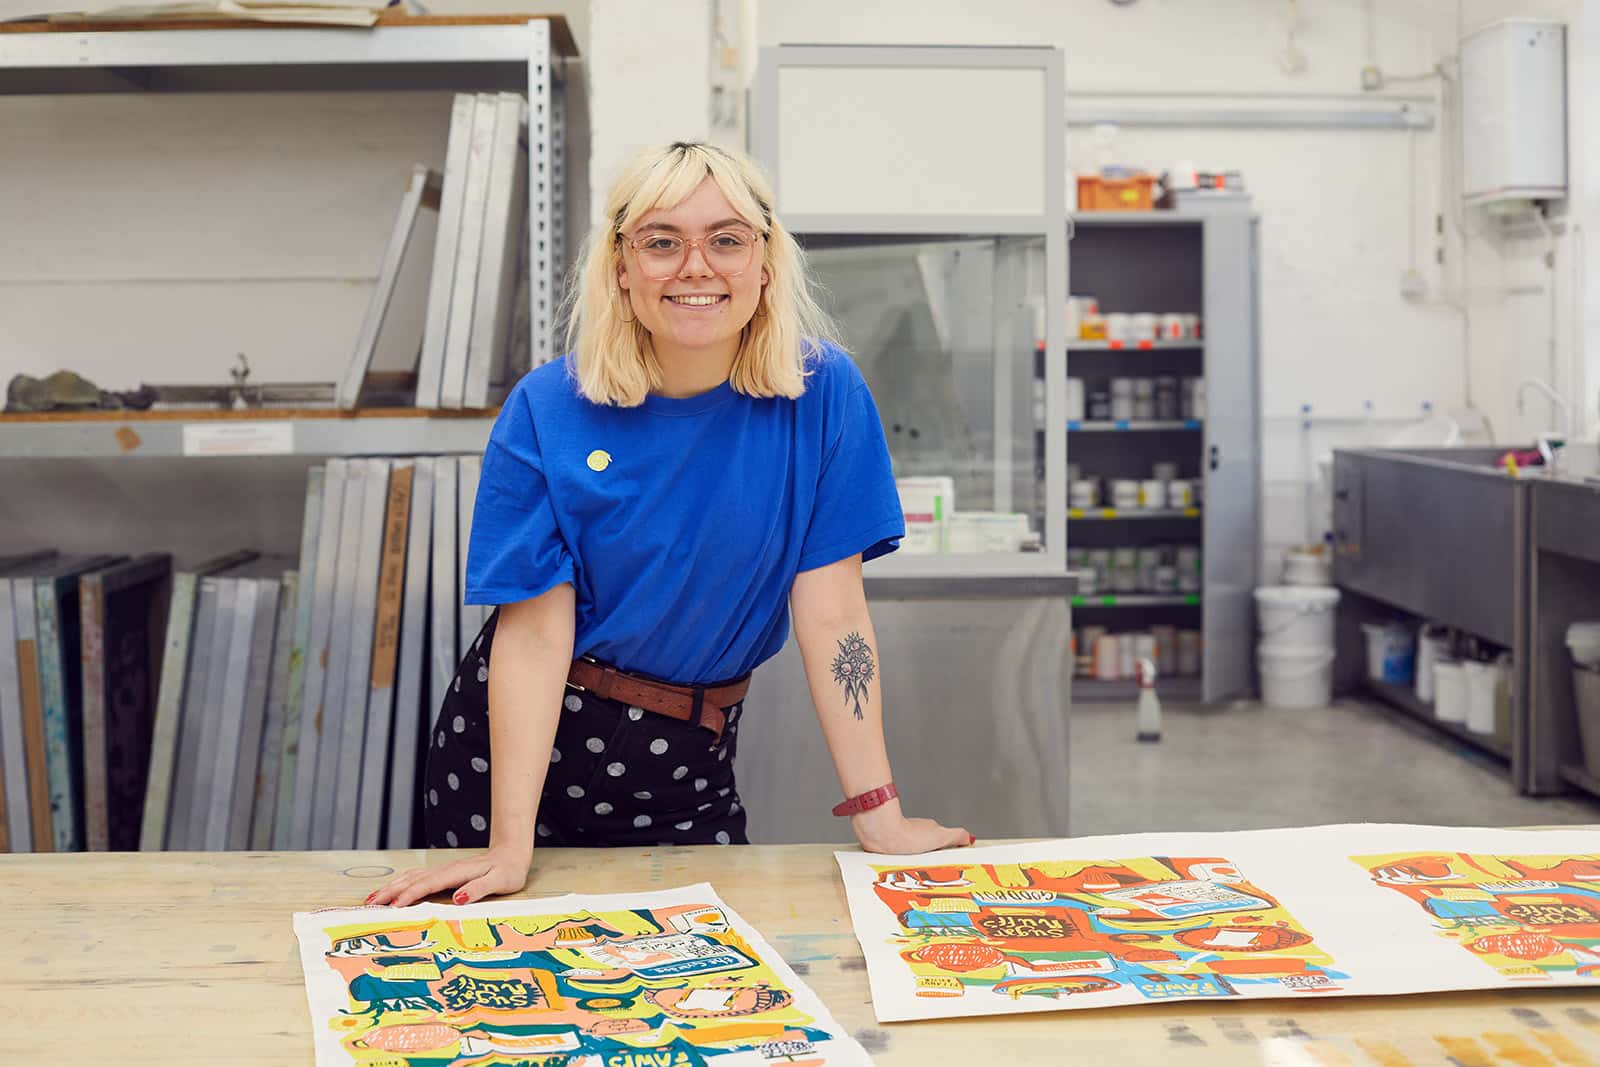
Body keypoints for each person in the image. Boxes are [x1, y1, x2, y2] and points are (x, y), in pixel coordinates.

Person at [370, 141, 972, 910]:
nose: (696, 265)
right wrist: (509, 845)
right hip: (519, 757)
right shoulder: (546, 408)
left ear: (766, 261)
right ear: (621, 265)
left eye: (726, 239)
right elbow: (533, 634)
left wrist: (878, 816)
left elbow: (835, 617)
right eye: (661, 241)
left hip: (690, 757)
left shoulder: (825, 397)